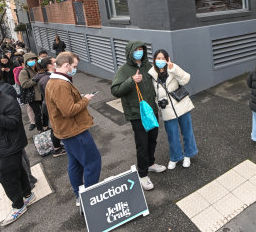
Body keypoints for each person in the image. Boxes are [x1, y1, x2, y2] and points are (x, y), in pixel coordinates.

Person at [0, 76, 36, 226]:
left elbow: (13, 123)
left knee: (6, 178)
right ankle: (27, 194)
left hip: (10, 147)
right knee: (19, 172)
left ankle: (18, 206)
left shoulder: (8, 101)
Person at [45, 52, 100, 208]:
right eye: (74, 66)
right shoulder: (60, 84)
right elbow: (68, 110)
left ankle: (80, 195)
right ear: (66, 64)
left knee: (75, 163)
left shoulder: (55, 81)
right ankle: (90, 199)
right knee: (93, 162)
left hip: (66, 131)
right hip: (74, 131)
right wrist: (85, 100)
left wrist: (79, 98)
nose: (75, 69)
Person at [111, 41, 166, 191]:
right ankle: (143, 174)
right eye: (136, 50)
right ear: (130, 52)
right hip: (137, 113)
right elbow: (115, 90)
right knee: (142, 144)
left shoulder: (148, 66)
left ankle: (151, 163)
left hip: (151, 110)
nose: (139, 53)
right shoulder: (124, 70)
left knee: (153, 139)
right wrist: (131, 81)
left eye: (141, 50)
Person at [0, 66, 38, 188]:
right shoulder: (4, 88)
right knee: (22, 158)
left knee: (18, 163)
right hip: (9, 139)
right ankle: (29, 179)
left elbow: (11, 122)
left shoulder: (2, 95)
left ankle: (28, 182)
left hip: (9, 139)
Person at [148, 49, 198, 168]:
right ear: (154, 60)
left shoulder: (172, 68)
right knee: (172, 135)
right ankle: (175, 157)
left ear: (167, 59)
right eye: (158, 58)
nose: (160, 61)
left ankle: (188, 155)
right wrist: (158, 103)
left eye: (162, 58)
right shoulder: (151, 74)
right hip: (167, 109)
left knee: (187, 132)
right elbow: (153, 93)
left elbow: (186, 79)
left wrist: (174, 69)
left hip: (181, 104)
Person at [36, 57, 66, 157]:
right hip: (52, 107)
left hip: (51, 106)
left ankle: (58, 146)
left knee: (57, 126)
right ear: (49, 65)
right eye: (55, 62)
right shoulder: (47, 79)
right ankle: (57, 149)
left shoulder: (50, 76)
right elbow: (53, 96)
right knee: (56, 127)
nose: (57, 62)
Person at [19, 53, 46, 132]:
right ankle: (40, 129)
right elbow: (24, 84)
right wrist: (35, 79)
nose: (32, 61)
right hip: (32, 96)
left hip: (42, 94)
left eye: (33, 59)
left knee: (45, 112)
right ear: (26, 61)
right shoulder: (24, 72)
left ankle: (45, 126)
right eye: (29, 60)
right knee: (37, 114)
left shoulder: (39, 68)